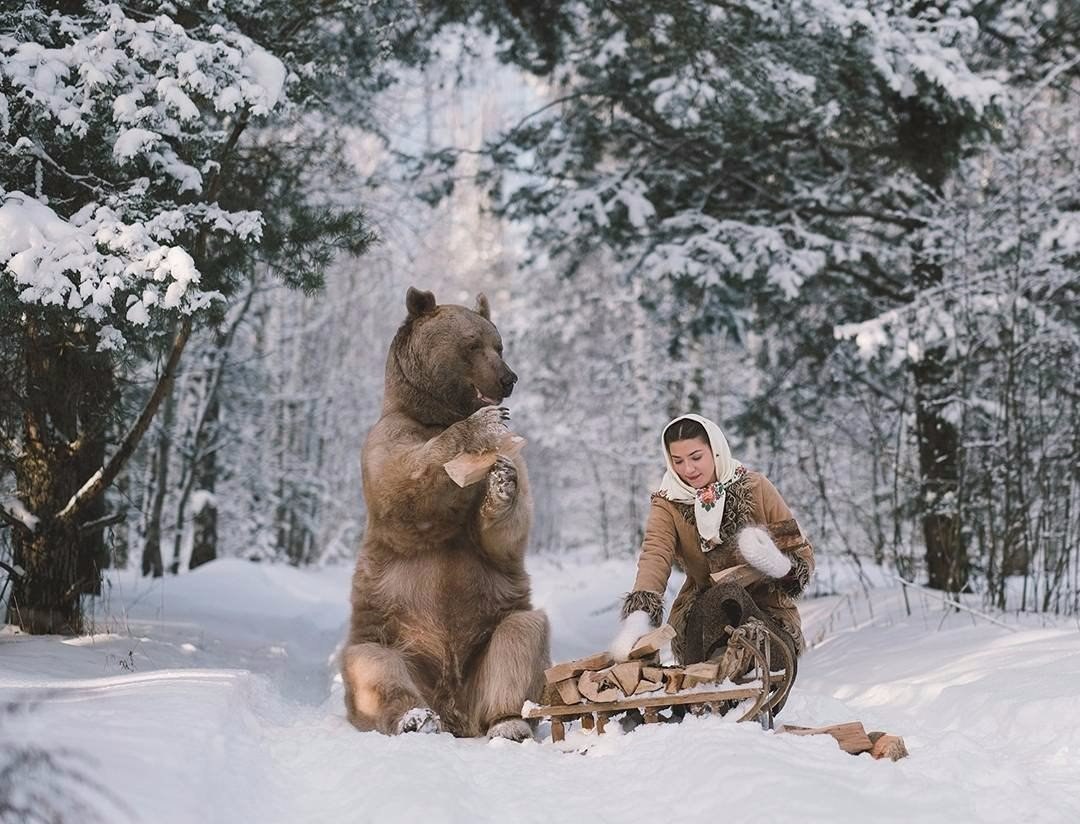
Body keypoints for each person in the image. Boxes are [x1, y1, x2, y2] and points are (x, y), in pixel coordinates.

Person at [609, 414, 814, 700]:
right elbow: (655, 552)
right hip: (704, 621)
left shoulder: (756, 487)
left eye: (696, 457)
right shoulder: (669, 502)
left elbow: (802, 554)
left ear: (715, 450)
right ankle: (711, 681)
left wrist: (776, 564)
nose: (688, 469)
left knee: (735, 598)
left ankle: (746, 667)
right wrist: (638, 617)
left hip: (769, 618)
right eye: (677, 461)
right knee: (721, 594)